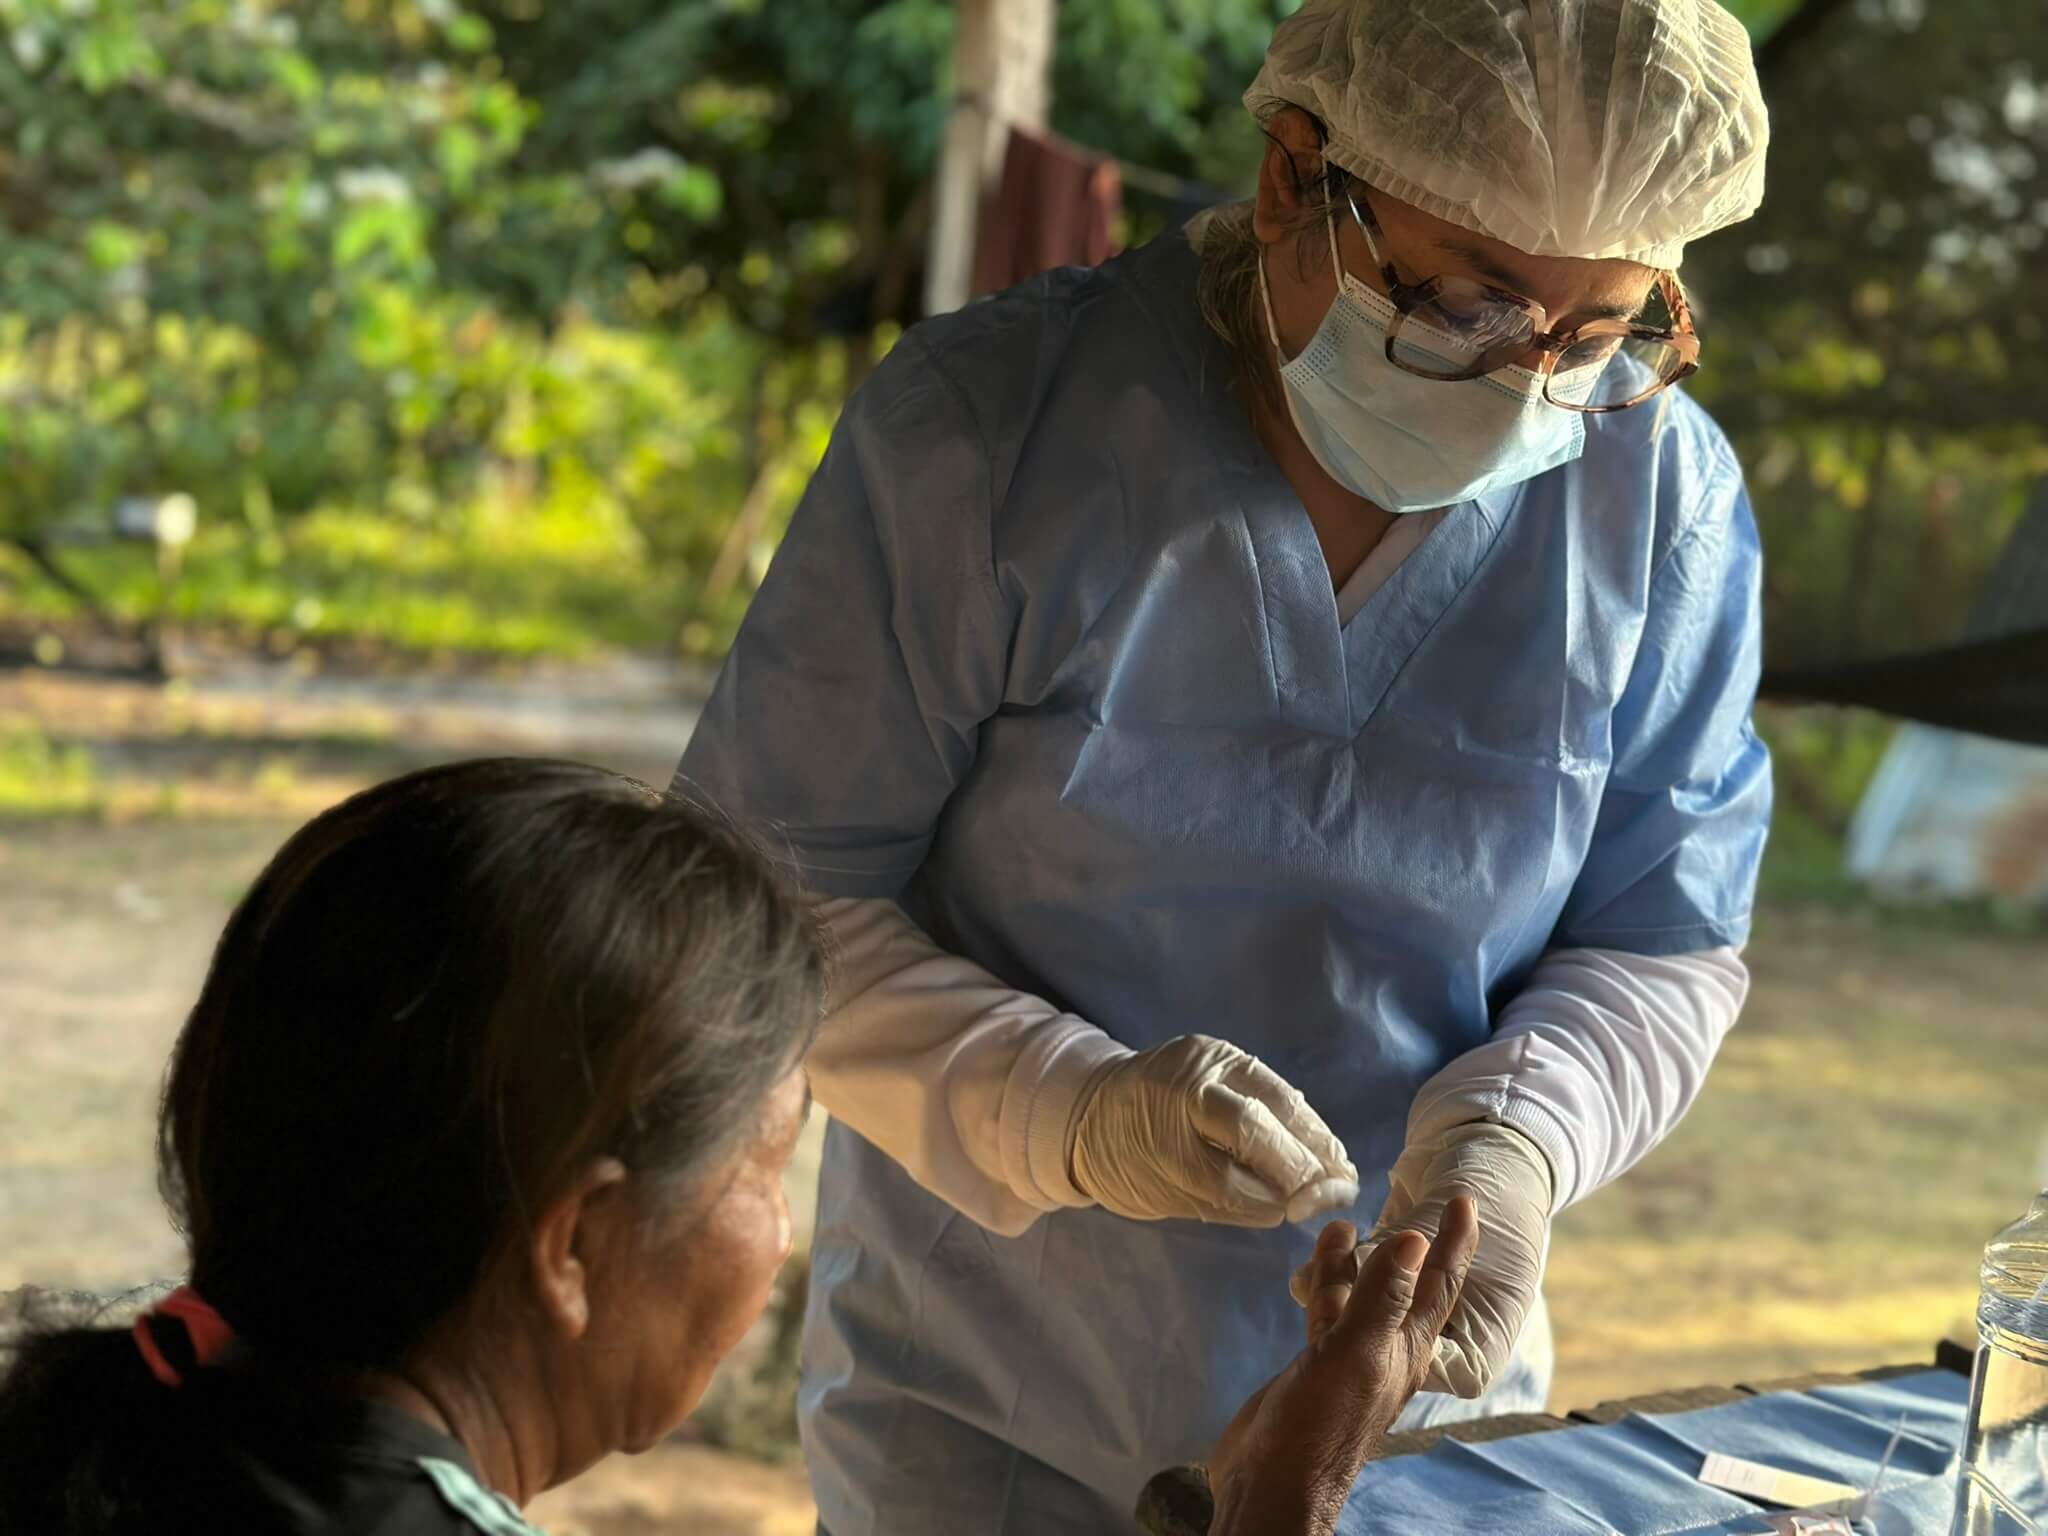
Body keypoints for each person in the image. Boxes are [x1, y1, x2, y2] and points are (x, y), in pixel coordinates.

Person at [674, 0, 1775, 1529]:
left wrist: (1523, 1134)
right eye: (1466, 305)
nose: (1531, 386)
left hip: (1411, 1422)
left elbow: (1663, 935)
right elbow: (756, 907)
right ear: (1291, 183)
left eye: (1599, 336)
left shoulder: (1654, 506)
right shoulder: (992, 439)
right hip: (993, 1408)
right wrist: (1064, 1107)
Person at [0, 757, 1478, 1536]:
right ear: (575, 1247)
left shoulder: (110, 1440)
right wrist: (1292, 1503)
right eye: (773, 1163)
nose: (780, 1240)